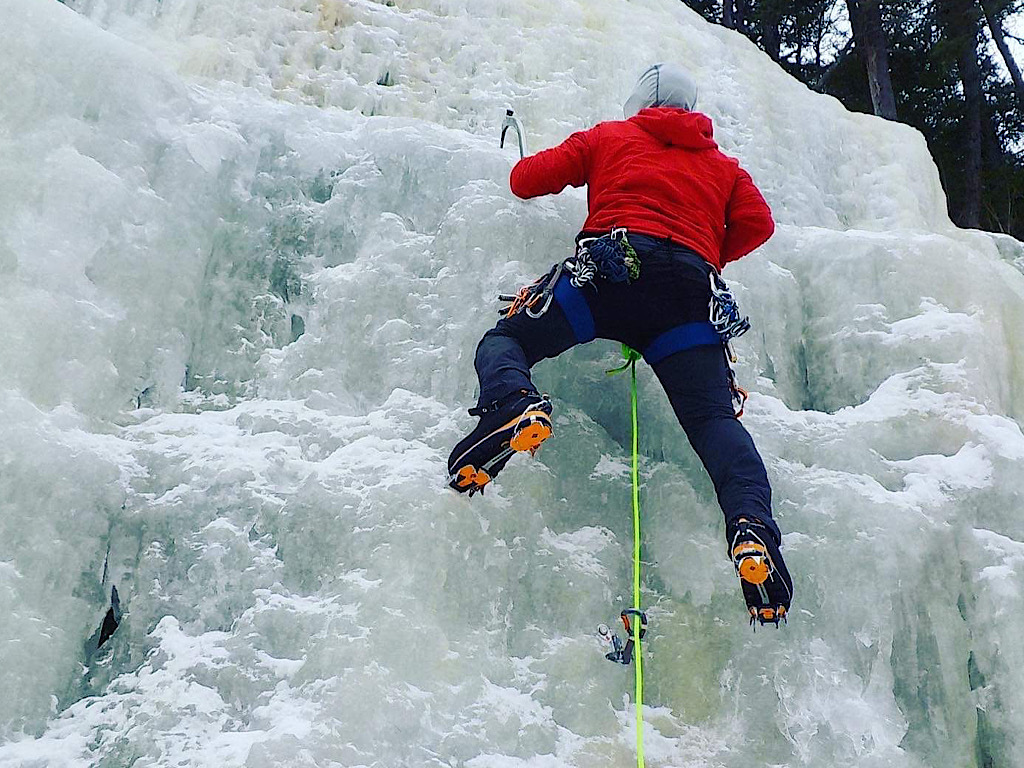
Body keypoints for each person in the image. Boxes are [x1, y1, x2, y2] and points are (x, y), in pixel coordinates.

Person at [447, 64, 793, 624]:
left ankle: (514, 404)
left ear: (639, 102)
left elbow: (526, 179)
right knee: (713, 422)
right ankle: (754, 533)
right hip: (688, 296)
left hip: (609, 274)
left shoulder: (611, 135)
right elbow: (758, 223)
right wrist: (705, 250)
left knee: (508, 337)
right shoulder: (723, 167)